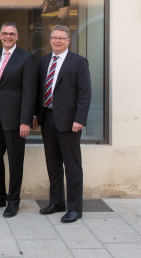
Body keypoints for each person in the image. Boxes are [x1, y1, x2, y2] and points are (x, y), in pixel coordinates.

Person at [34, 25, 91, 223]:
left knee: (72, 165)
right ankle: (57, 202)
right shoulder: (43, 62)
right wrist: (35, 115)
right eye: (54, 37)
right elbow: (40, 90)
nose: (57, 41)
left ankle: (75, 208)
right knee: (53, 164)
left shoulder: (79, 62)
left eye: (61, 38)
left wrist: (79, 119)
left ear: (68, 40)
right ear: (50, 40)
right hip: (47, 118)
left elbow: (85, 93)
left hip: (69, 121)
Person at [0, 22, 37, 218]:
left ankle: (13, 201)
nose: (7, 37)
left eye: (11, 34)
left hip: (15, 120)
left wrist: (25, 121)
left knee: (15, 161)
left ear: (17, 36)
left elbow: (29, 92)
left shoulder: (27, 58)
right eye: (4, 33)